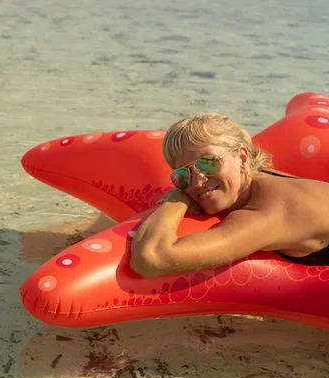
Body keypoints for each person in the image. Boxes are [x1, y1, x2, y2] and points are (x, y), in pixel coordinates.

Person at [130, 112, 329, 278]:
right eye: (183, 174)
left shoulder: (268, 212)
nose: (197, 182)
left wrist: (175, 200)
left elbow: (151, 258)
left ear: (242, 157)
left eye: (208, 163)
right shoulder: (259, 180)